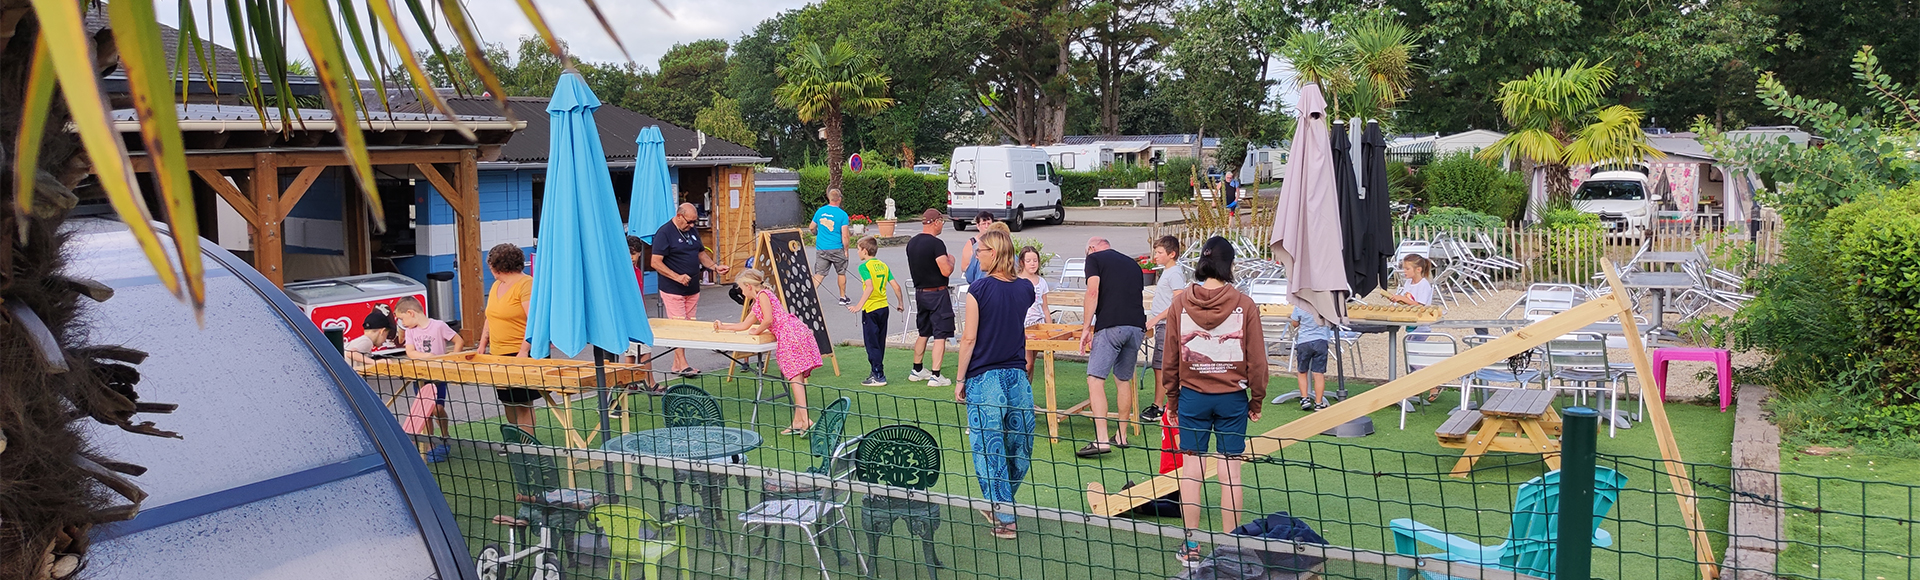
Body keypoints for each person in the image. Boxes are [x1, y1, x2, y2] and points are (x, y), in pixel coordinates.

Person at [1158, 236, 1267, 565]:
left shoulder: (1180, 304)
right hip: (1233, 398)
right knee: (1230, 473)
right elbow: (1257, 361)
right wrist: (1257, 399)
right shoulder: (1244, 304)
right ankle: (1231, 547)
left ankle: (1191, 545)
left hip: (1192, 398)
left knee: (1191, 472)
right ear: (1229, 265)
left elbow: (1170, 358)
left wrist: (1172, 400)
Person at [954, 229, 1036, 540]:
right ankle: (1004, 509)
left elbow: (969, 338)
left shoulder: (979, 289)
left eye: (981, 251)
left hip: (985, 377)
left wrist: (960, 379)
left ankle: (1002, 509)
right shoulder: (1025, 289)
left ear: (995, 253)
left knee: (991, 448)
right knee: (1019, 445)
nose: (977, 255)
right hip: (1016, 376)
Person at [716, 269, 824, 435]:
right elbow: (744, 325)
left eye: (741, 288)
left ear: (748, 286)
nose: (741, 292)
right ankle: (798, 420)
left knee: (795, 377)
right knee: (797, 377)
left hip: (789, 334)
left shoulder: (763, 295)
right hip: (792, 332)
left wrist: (757, 331)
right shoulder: (758, 301)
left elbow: (768, 320)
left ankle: (806, 419)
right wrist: (723, 326)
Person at [1076, 236, 1147, 457]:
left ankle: (1102, 439)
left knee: (1095, 379)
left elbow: (1093, 291)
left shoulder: (1094, 259)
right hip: (1136, 326)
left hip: (1111, 326)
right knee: (1123, 380)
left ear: (1091, 248)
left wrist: (1086, 328)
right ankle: (1122, 435)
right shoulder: (1132, 263)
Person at [652, 202, 730, 375]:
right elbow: (655, 262)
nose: (692, 225)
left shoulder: (692, 231)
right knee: (679, 325)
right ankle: (684, 364)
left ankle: (676, 365)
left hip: (692, 288)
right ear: (679, 216)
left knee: (689, 325)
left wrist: (715, 267)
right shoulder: (664, 233)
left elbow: (700, 253)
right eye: (690, 221)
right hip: (672, 288)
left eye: (694, 222)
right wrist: (677, 276)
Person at [477, 243, 539, 432]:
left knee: (522, 402)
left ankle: (527, 445)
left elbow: (533, 321)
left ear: (496, 266)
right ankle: (515, 438)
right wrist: (482, 345)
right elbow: (490, 316)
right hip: (498, 354)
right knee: (507, 401)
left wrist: (524, 350)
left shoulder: (526, 284)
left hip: (518, 352)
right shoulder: (497, 285)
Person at [396, 296, 462, 463]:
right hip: (421, 376)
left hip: (438, 375)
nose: (402, 323)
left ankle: (445, 435)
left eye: (402, 318)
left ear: (410, 313)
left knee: (437, 408)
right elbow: (410, 352)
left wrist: (450, 358)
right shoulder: (411, 331)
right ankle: (430, 442)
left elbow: (458, 340)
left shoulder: (438, 326)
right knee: (425, 410)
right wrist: (428, 357)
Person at [905, 208, 956, 388]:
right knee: (940, 334)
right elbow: (946, 270)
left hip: (920, 293)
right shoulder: (936, 244)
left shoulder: (912, 243)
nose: (942, 225)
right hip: (937, 293)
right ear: (936, 222)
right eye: (942, 222)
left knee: (923, 332)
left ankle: (917, 369)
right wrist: (952, 260)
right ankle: (936, 375)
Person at [1142, 235, 1190, 418]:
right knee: (1161, 365)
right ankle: (1164, 405)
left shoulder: (1175, 273)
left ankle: (1160, 406)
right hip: (1162, 323)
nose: (1156, 256)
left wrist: (1156, 319)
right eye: (1156, 252)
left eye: (1160, 252)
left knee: (1161, 365)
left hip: (1167, 324)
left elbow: (1177, 303)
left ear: (1172, 254)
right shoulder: (1167, 272)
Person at [847, 235, 905, 387]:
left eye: (858, 250)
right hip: (884, 308)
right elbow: (896, 286)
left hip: (871, 309)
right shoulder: (883, 265)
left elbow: (870, 286)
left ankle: (879, 375)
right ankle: (875, 371)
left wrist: (859, 305)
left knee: (871, 343)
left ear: (865, 251)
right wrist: (900, 303)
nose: (858, 253)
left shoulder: (864, 266)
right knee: (879, 342)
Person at [1386, 254, 1440, 400]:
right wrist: (1396, 300)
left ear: (1418, 269)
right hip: (1411, 324)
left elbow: (1420, 305)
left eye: (1407, 268)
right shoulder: (1409, 283)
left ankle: (1433, 383)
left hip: (1421, 325)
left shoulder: (1424, 285)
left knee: (1414, 357)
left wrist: (1402, 299)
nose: (1404, 271)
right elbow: (1406, 301)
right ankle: (1418, 385)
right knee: (1412, 356)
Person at [810, 188, 854, 305]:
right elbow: (845, 235)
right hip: (836, 248)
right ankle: (842, 297)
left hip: (822, 248)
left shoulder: (820, 211)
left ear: (829, 198)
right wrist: (846, 250)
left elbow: (811, 227)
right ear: (839, 199)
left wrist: (816, 233)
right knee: (841, 272)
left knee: (819, 274)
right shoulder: (842, 215)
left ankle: (810, 296)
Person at [1017, 246, 1051, 377]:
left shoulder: (1041, 282)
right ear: (1022, 262)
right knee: (1027, 363)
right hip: (1024, 325)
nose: (1032, 263)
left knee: (1032, 363)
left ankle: (1027, 392)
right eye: (1029, 260)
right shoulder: (1017, 281)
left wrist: (1050, 328)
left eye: (1035, 260)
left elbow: (1045, 308)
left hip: (1038, 324)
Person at [1291, 306, 1333, 411]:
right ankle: (1318, 402)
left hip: (1304, 341)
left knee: (1302, 371)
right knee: (1318, 374)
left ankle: (1304, 398)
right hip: (1321, 340)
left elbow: (1294, 323)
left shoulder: (1300, 306)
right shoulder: (1324, 305)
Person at [958, 212, 996, 285]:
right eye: (984, 224)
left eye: (989, 224)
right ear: (978, 226)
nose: (986, 226)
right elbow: (964, 267)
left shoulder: (996, 242)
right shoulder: (972, 243)